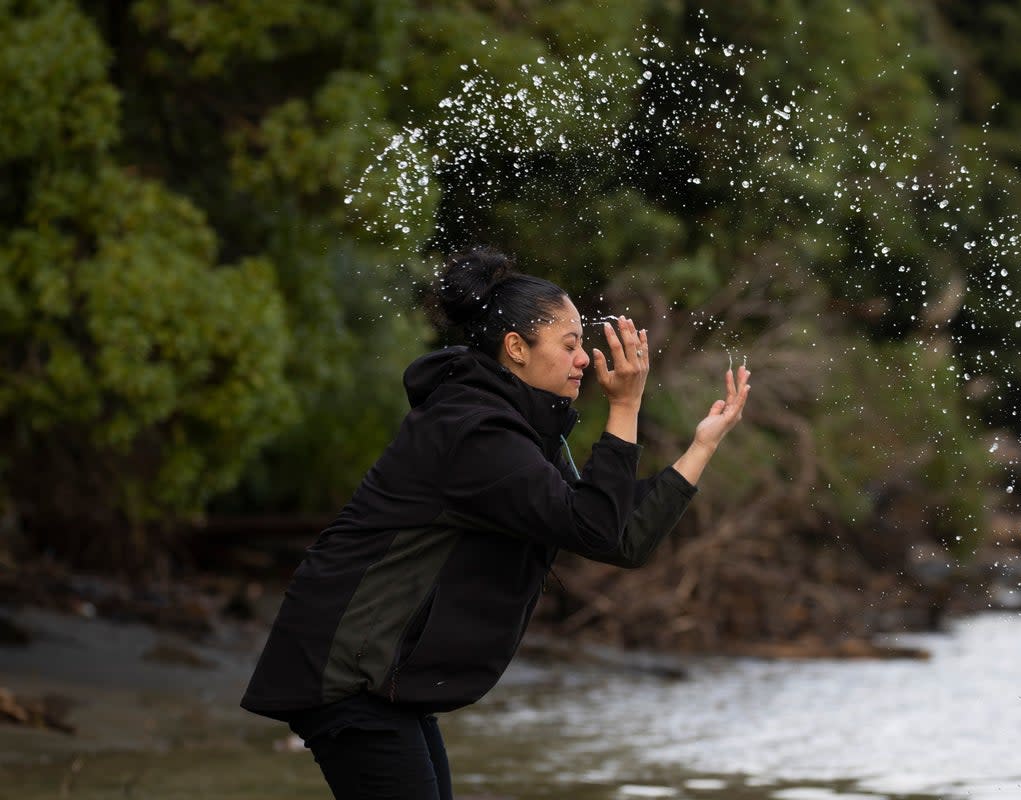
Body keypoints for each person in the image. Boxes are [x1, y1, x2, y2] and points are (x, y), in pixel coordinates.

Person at [240, 246, 751, 799]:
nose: (584, 359)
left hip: (379, 681)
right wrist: (624, 409)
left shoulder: (516, 431)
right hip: (345, 672)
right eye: (570, 344)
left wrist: (701, 446)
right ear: (516, 348)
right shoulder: (475, 431)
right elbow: (597, 527)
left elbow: (620, 539)